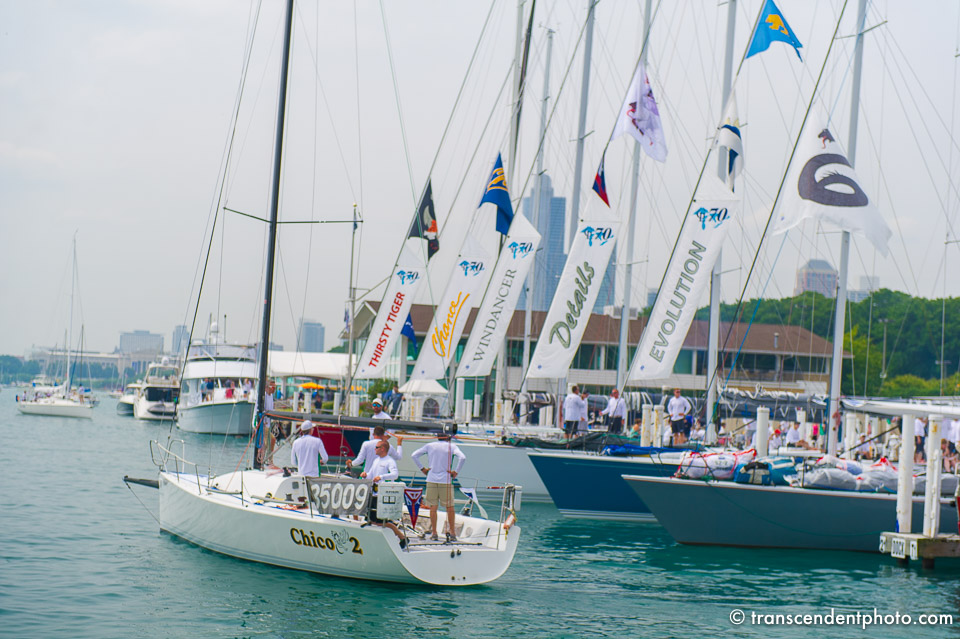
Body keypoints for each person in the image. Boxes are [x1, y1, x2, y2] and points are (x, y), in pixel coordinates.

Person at [412, 427, 466, 542]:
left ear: (437, 436)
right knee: (449, 507)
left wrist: (422, 469)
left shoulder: (430, 445)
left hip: (431, 478)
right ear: (447, 436)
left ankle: (434, 533)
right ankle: (452, 532)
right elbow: (462, 457)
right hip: (445, 480)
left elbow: (414, 455)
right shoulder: (452, 446)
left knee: (433, 507)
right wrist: (456, 471)